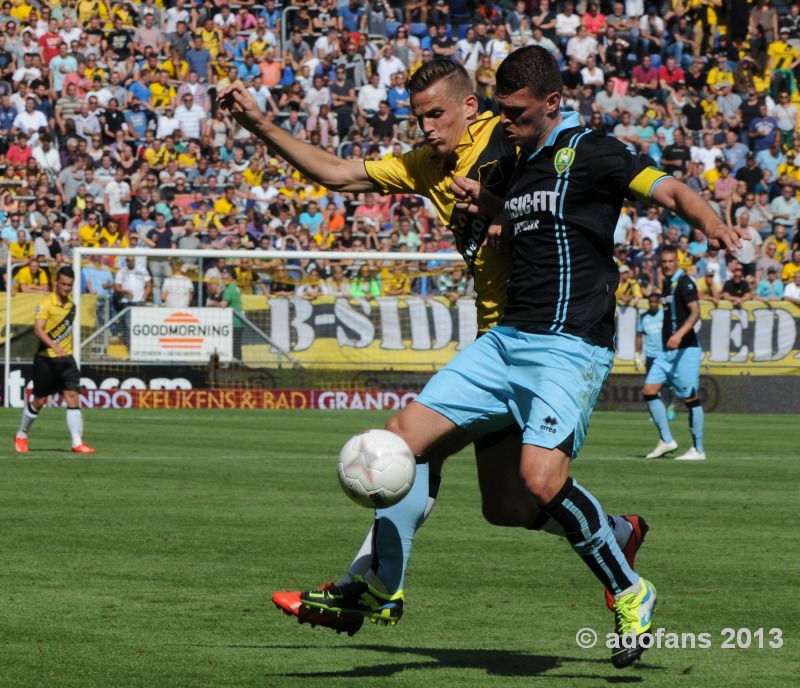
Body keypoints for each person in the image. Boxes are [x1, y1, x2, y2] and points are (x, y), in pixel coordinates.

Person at [291, 47, 746, 668]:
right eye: (500, 110)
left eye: (515, 111)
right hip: (505, 341)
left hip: (570, 344)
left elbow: (664, 188)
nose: (504, 122)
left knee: (538, 483)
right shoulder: (509, 164)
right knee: (400, 441)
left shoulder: (592, 152)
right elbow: (503, 215)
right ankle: (378, 584)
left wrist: (710, 219)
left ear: (551, 104)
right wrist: (488, 206)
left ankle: (629, 589)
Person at [219, 58, 650, 640]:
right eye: (417, 116)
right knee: (442, 469)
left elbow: (566, 173)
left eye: (435, 114)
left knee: (499, 496)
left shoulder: (517, 136)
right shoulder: (427, 164)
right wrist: (258, 125)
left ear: (473, 108)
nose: (424, 126)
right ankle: (377, 586)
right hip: (496, 346)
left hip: (551, 337)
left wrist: (504, 205)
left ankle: (372, 588)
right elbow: (340, 175)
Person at [14, 267, 95, 454]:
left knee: (72, 396)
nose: (66, 288)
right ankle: (22, 433)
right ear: (56, 282)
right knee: (40, 400)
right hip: (46, 358)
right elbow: (38, 329)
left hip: (66, 359)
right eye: (64, 284)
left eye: (70, 285)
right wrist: (55, 346)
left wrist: (67, 350)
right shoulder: (45, 304)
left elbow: (68, 333)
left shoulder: (71, 306)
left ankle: (77, 442)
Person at [643, 245, 708, 462]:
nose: (667, 265)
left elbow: (696, 313)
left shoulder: (684, 282)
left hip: (685, 349)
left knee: (690, 399)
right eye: (664, 262)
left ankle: (698, 450)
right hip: (667, 351)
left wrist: (679, 335)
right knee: (649, 390)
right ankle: (666, 440)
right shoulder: (668, 284)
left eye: (671, 261)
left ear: (677, 261)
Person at [635, 292, 675, 421]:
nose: (652, 304)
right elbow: (639, 336)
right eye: (650, 302)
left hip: (664, 353)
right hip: (651, 355)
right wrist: (637, 354)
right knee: (653, 385)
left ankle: (670, 404)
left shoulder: (664, 315)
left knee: (668, 384)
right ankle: (658, 413)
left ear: (658, 303)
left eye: (654, 302)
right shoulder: (643, 318)